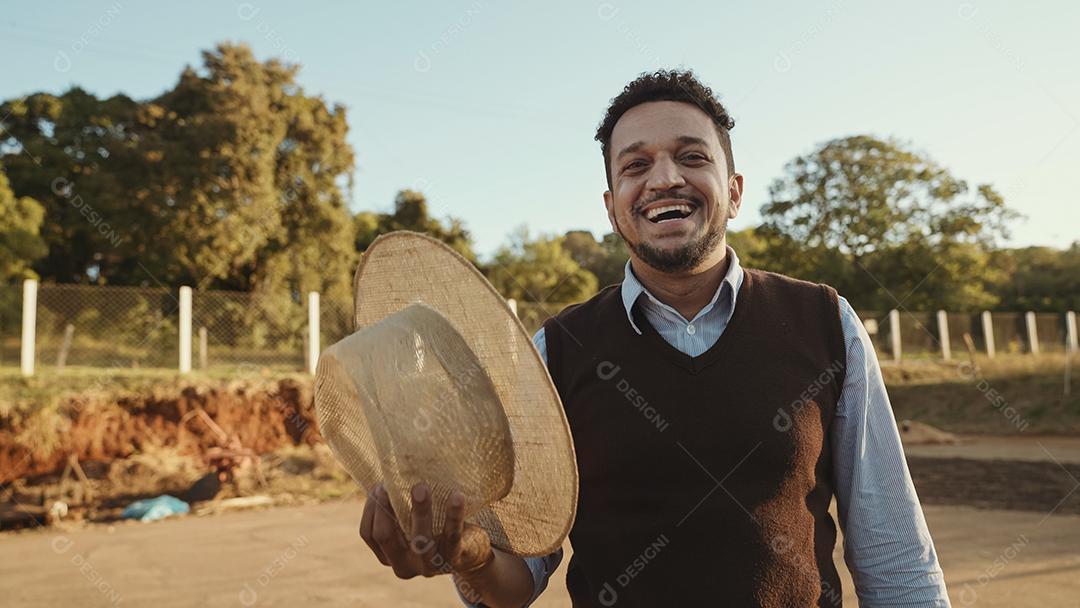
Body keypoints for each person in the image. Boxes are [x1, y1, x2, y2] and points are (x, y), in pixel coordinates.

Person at [357, 69, 950, 607]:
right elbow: (517, 579)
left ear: (735, 190)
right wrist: (471, 558)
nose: (665, 179)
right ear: (614, 208)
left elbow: (894, 562)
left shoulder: (826, 321)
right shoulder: (558, 351)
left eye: (692, 157)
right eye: (635, 166)